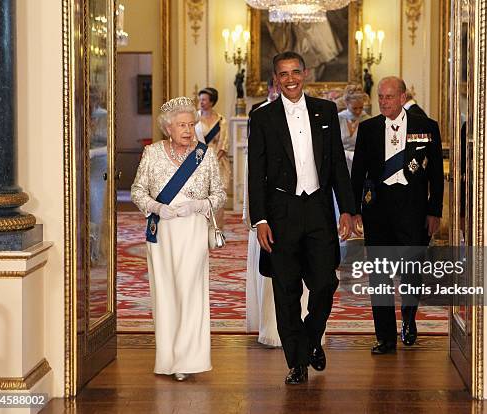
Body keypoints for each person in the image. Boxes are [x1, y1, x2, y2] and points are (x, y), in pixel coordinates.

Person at [248, 51, 355, 385]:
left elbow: (337, 163)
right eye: (283, 74)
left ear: (305, 73)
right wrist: (260, 219)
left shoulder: (325, 110)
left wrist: (348, 209)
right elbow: (256, 173)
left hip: (319, 211)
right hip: (281, 215)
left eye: (296, 72)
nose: (291, 79)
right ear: (276, 78)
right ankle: (297, 362)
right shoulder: (262, 116)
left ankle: (311, 339)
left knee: (325, 282)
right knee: (286, 291)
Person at [131, 96, 226, 381]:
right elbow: (137, 191)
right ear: (168, 128)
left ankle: (189, 358)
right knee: (166, 292)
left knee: (190, 290)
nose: (188, 130)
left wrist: (198, 206)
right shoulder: (153, 153)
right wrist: (156, 207)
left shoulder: (205, 155)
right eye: (182, 125)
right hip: (162, 231)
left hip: (193, 230)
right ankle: (168, 357)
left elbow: (219, 194)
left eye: (191, 124)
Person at [350, 76, 443, 354]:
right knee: (379, 275)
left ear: (403, 98)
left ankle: (410, 320)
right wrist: (354, 210)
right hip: (378, 209)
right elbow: (358, 173)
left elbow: (436, 174)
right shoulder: (368, 129)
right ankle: (385, 338)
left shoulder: (426, 127)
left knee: (411, 272)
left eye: (389, 97)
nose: (383, 102)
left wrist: (434, 210)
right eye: (380, 97)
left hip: (413, 209)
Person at [195, 87, 229, 228]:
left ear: (212, 102)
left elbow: (224, 143)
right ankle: (199, 229)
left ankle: (216, 230)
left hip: (218, 162)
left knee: (217, 198)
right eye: (200, 99)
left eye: (204, 100)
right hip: (197, 162)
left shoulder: (221, 121)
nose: (201, 102)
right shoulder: (194, 119)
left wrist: (214, 160)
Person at [338, 84, 371, 173]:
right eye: (354, 108)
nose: (358, 111)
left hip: (361, 165)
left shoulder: (368, 120)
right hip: (340, 164)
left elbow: (371, 147)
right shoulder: (339, 119)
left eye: (361, 107)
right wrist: (347, 154)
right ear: (346, 103)